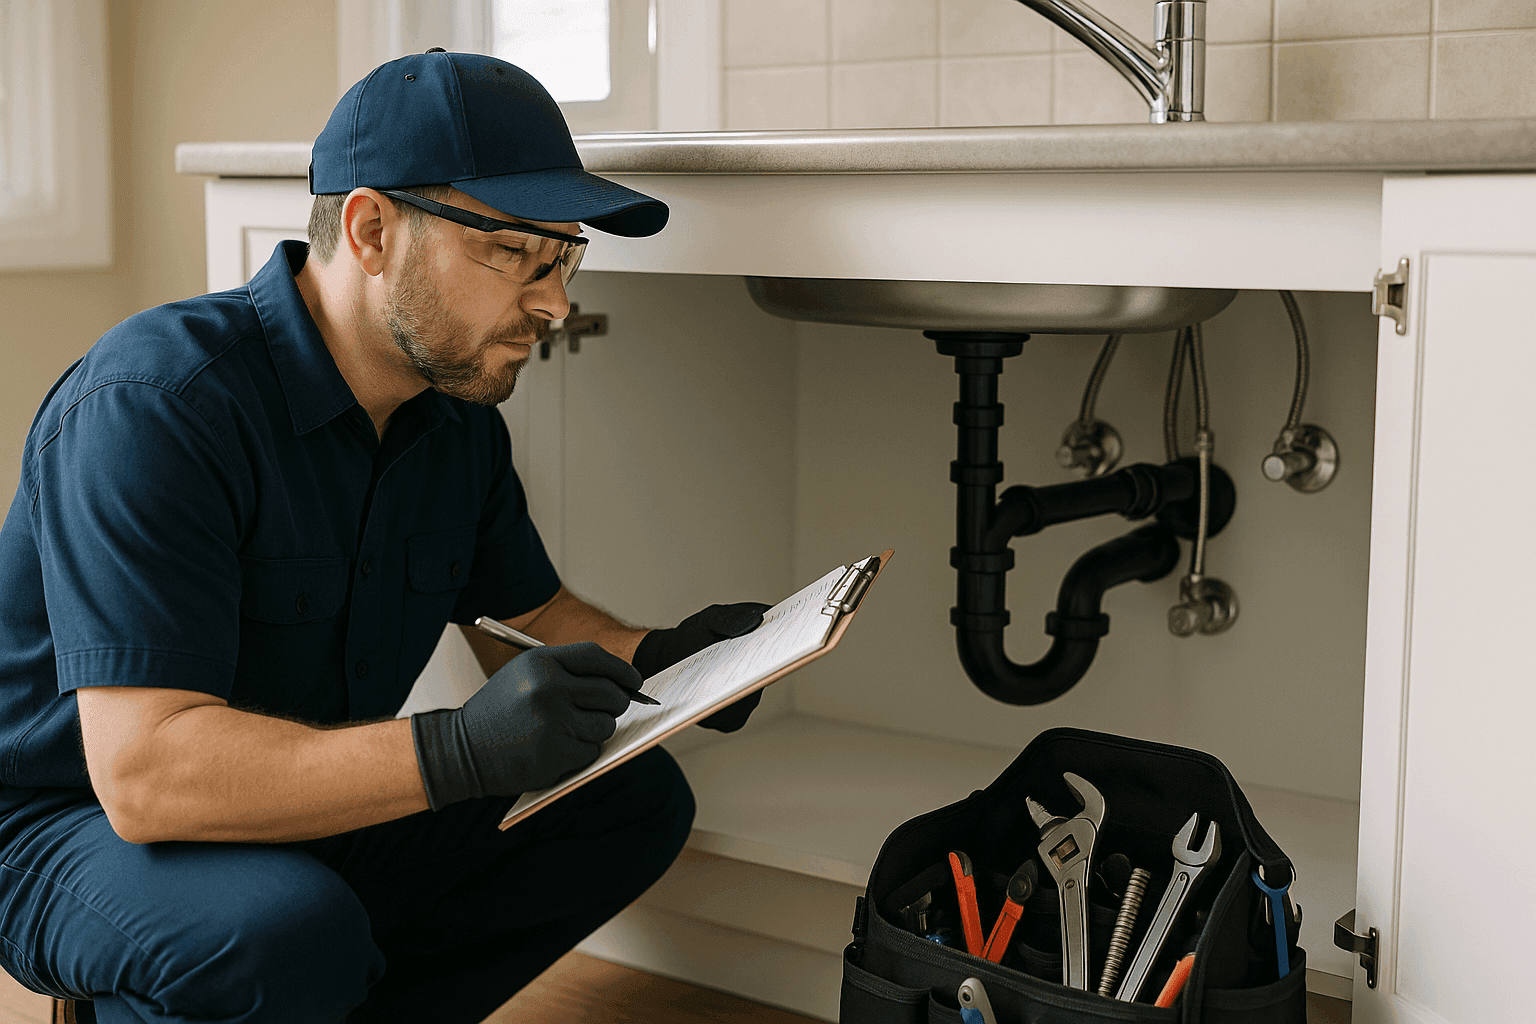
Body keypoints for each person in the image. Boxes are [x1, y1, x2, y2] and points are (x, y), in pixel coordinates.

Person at [0, 50, 768, 1024]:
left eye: (564, 259)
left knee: (631, 799)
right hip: (71, 823)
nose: (556, 305)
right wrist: (455, 751)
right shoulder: (157, 407)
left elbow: (531, 617)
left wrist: (666, 658)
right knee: (282, 932)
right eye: (515, 254)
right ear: (371, 229)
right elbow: (147, 778)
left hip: (302, 791)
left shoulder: (456, 431)